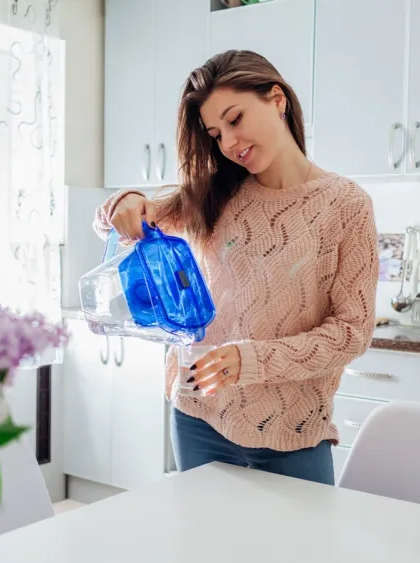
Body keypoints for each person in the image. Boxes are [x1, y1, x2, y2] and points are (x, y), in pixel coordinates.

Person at [92, 50, 379, 485]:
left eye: (235, 119)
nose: (227, 142)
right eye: (214, 133)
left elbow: (351, 332)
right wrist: (124, 202)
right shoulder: (215, 193)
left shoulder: (346, 205)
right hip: (197, 416)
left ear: (277, 100)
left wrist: (251, 360)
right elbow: (113, 222)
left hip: (291, 430)